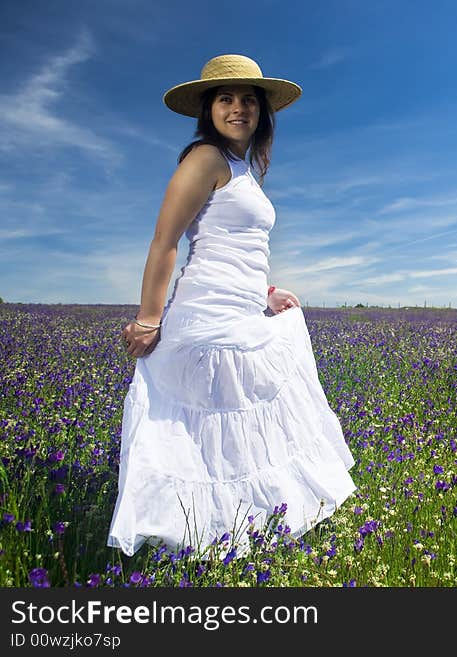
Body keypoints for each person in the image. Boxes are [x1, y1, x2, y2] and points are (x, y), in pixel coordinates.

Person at [107, 54, 356, 558]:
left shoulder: (242, 168)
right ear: (209, 109)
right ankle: (192, 539)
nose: (238, 108)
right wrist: (148, 318)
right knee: (208, 431)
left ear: (262, 111)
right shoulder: (204, 158)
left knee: (230, 434)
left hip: (241, 314)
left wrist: (265, 293)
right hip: (205, 319)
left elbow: (232, 246)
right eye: (226, 98)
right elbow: (166, 243)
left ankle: (227, 533)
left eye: (248, 99)